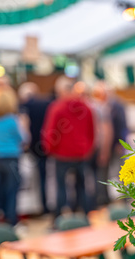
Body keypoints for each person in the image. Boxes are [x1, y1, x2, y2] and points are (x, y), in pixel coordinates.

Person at [41, 76, 95, 217]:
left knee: (61, 187)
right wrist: (88, 148)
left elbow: (51, 132)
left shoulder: (57, 107)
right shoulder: (86, 107)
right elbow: (92, 131)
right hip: (81, 153)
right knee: (82, 186)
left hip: (62, 154)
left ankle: (60, 218)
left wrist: (49, 149)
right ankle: (84, 215)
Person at [0, 86, 29, 226]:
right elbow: (23, 139)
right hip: (10, 157)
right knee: (12, 190)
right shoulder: (12, 120)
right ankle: (12, 221)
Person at [91, 81, 127, 206]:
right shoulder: (101, 106)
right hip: (105, 145)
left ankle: (125, 196)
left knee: (120, 171)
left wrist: (121, 143)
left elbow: (122, 125)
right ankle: (104, 197)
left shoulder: (117, 105)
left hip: (116, 143)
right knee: (103, 172)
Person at [18, 82, 52, 214]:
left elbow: (23, 128)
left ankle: (36, 207)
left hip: (31, 148)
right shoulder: (46, 104)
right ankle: (45, 206)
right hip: (45, 146)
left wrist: (25, 145)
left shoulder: (24, 107)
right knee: (45, 178)